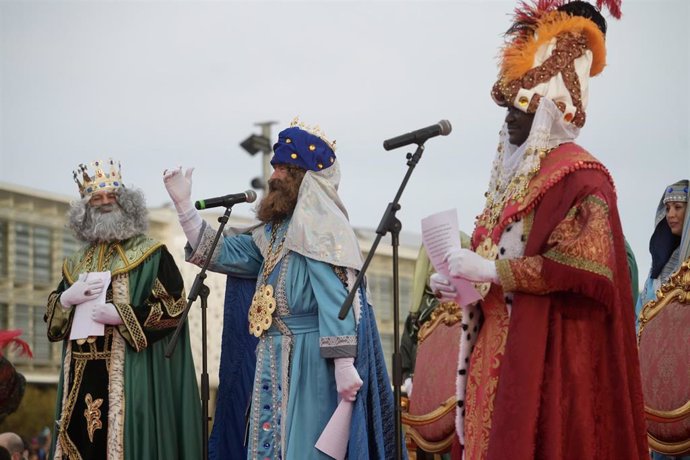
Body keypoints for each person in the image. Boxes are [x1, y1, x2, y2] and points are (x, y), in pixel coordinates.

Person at [430, 2, 648, 458]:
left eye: (521, 108)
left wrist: (492, 271)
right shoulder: (512, 185)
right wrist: (461, 282)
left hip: (549, 359)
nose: (508, 119)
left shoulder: (582, 178)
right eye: (508, 108)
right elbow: (494, 261)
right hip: (493, 353)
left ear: (550, 111)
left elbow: (585, 266)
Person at [164, 118, 397, 459]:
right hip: (271, 354)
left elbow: (338, 300)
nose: (274, 176)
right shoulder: (271, 233)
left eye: (284, 168)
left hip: (311, 360)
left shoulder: (322, 230)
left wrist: (345, 364)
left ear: (303, 176)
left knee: (305, 448)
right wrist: (185, 210)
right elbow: (223, 254)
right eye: (274, 167)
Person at [44, 159, 201, 459]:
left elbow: (174, 308)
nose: (104, 203)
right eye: (96, 198)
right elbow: (53, 325)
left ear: (125, 202)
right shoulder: (74, 264)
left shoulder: (151, 254)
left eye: (111, 196)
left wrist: (123, 315)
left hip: (132, 376)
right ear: (85, 209)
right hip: (79, 376)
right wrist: (65, 299)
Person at [635, 179, 689, 460]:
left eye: (678, 207)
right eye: (667, 208)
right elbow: (640, 323)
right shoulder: (656, 274)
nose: (671, 214)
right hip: (658, 398)